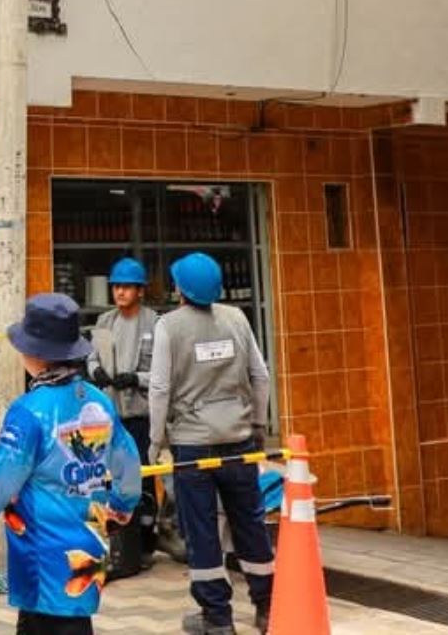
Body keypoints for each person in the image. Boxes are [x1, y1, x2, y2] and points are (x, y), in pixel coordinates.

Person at [0, 293, 143, 635]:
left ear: (35, 354)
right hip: (90, 545)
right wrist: (121, 508)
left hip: (42, 556)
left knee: (42, 624)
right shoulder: (99, 401)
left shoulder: (28, 412)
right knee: (75, 624)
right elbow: (128, 467)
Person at [149, 254, 275, 635]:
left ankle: (217, 618)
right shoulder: (236, 318)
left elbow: (159, 389)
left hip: (192, 448)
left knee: (201, 529)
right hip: (239, 442)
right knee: (250, 524)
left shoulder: (167, 326)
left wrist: (156, 442)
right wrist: (256, 423)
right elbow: (261, 375)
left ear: (180, 290)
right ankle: (267, 608)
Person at [87, 257, 177, 569]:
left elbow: (166, 373)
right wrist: (96, 371)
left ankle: (146, 542)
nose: (120, 292)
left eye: (126, 287)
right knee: (113, 479)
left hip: (141, 415)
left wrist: (137, 379)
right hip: (111, 415)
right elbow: (91, 358)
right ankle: (120, 544)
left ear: (140, 290)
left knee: (144, 479)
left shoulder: (156, 323)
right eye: (116, 287)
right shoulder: (104, 323)